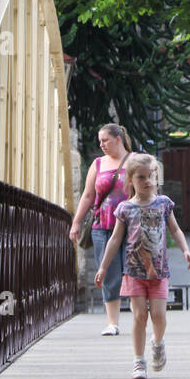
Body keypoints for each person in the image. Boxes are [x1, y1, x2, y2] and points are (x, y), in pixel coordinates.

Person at [95, 152, 190, 379]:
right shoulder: (125, 209)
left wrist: (185, 250)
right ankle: (139, 361)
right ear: (130, 180)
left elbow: (175, 230)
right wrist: (103, 267)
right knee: (139, 315)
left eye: (151, 176)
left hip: (159, 271)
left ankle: (158, 342)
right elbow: (115, 240)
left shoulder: (163, 204)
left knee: (159, 315)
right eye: (141, 177)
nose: (147, 181)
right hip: (133, 271)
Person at [70, 123, 132, 335]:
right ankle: (113, 323)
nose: (101, 144)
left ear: (118, 139)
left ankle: (139, 317)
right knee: (108, 274)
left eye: (105, 140)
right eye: (100, 141)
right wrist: (76, 222)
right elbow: (88, 196)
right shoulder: (97, 164)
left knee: (133, 272)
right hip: (102, 226)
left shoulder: (135, 162)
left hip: (132, 226)